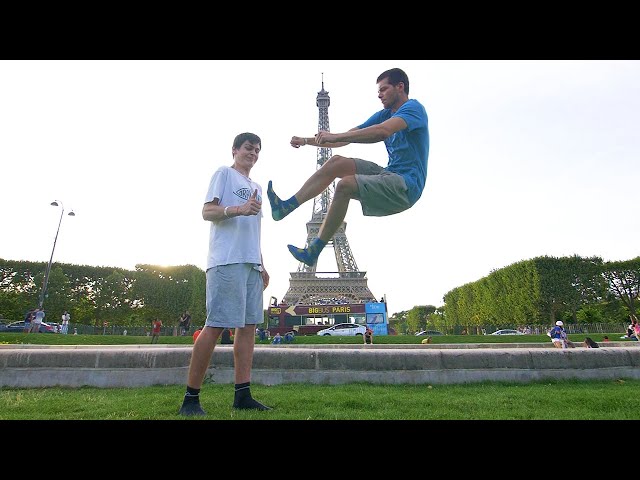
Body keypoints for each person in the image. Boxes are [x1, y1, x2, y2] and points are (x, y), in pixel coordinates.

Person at [267, 68, 429, 266]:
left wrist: (335, 136)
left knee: (345, 185)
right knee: (336, 162)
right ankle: (286, 207)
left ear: (400, 87)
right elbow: (343, 139)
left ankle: (314, 250)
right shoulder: (384, 114)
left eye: (384, 89)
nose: (379, 94)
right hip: (390, 173)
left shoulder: (413, 108)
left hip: (406, 185)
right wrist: (307, 140)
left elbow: (382, 132)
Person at [178, 132, 271, 417]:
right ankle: (190, 399)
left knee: (248, 328)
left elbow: (254, 231)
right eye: (247, 148)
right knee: (216, 325)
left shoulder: (255, 185)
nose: (252, 153)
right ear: (234, 150)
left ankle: (242, 394)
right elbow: (207, 212)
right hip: (227, 261)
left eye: (257, 150)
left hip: (250, 263)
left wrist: (262, 263)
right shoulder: (223, 174)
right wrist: (238, 209)